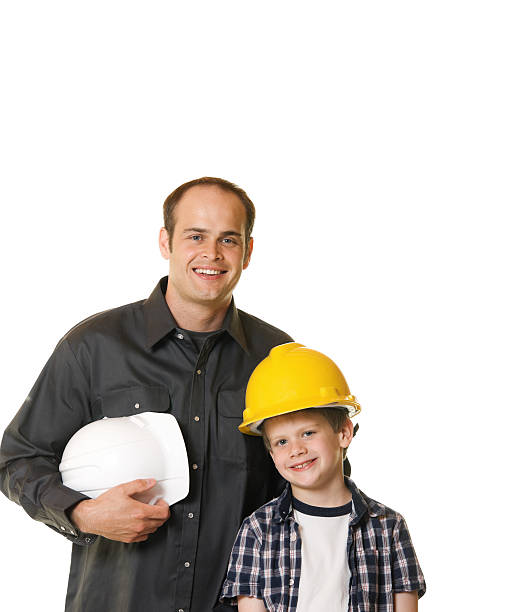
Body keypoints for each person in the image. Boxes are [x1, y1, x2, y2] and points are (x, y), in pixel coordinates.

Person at [0, 177, 292, 612]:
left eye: (228, 239)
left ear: (248, 252)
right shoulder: (94, 347)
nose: (211, 254)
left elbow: (317, 482)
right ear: (166, 241)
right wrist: (83, 514)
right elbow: (17, 459)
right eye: (196, 236)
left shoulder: (278, 360)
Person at [220, 342, 426, 611]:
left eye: (308, 433)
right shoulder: (258, 530)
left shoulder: (389, 528)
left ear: (343, 433)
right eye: (281, 442)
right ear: (271, 453)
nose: (296, 450)